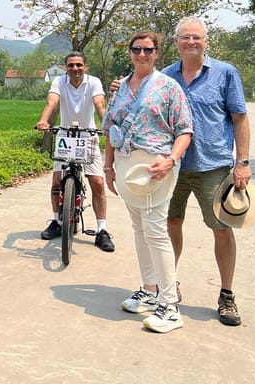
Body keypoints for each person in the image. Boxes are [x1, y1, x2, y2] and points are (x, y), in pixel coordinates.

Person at [162, 17, 251, 326]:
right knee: (170, 223)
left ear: (206, 41)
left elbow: (239, 118)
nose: (191, 42)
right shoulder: (165, 76)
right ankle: (168, 285)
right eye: (185, 37)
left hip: (213, 165)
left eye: (196, 37)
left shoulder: (225, 73)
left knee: (222, 229)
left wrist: (243, 162)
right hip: (172, 166)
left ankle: (227, 295)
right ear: (176, 42)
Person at [103, 31, 193, 334]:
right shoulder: (120, 88)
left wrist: (170, 161)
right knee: (139, 228)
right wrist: (108, 167)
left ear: (157, 53)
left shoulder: (168, 87)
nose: (142, 54)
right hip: (126, 165)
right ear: (129, 52)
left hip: (155, 167)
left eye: (148, 50)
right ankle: (150, 290)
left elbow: (184, 130)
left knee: (155, 231)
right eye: (137, 49)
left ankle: (170, 305)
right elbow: (111, 128)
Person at [35, 51, 114, 252]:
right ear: (66, 68)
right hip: (65, 137)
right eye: (71, 65)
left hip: (88, 137)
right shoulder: (59, 82)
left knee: (97, 182)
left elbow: (99, 104)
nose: (75, 69)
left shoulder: (94, 83)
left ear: (85, 67)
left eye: (79, 65)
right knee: (56, 181)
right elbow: (51, 102)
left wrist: (105, 125)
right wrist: (44, 120)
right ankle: (56, 221)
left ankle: (102, 229)